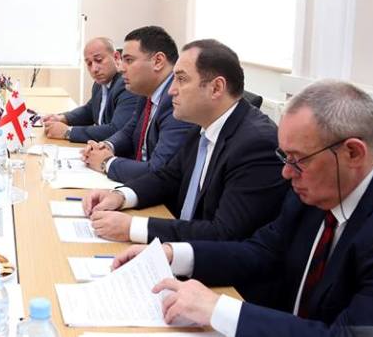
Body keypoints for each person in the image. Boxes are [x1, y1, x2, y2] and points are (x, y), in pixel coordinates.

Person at [113, 80, 373, 336]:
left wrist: (218, 309)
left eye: (298, 159)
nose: (286, 172)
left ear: (353, 153)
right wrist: (172, 254)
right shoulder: (322, 186)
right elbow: (263, 251)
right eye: (284, 157)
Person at [82, 39, 287, 244]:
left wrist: (133, 228)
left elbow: (224, 233)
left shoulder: (256, 144)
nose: (171, 90)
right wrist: (121, 196)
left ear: (216, 88)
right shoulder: (204, 124)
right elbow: (169, 177)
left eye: (181, 79)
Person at [81, 26, 195, 183]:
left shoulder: (177, 101)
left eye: (129, 60)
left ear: (158, 61)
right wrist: (106, 146)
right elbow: (129, 131)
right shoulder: (146, 92)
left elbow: (159, 170)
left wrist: (106, 162)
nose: (121, 68)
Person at [42, 37, 139, 143]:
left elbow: (116, 130)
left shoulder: (127, 85)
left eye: (99, 60)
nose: (94, 69)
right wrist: (63, 118)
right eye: (89, 63)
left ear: (116, 57)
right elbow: (89, 110)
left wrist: (68, 132)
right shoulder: (99, 84)